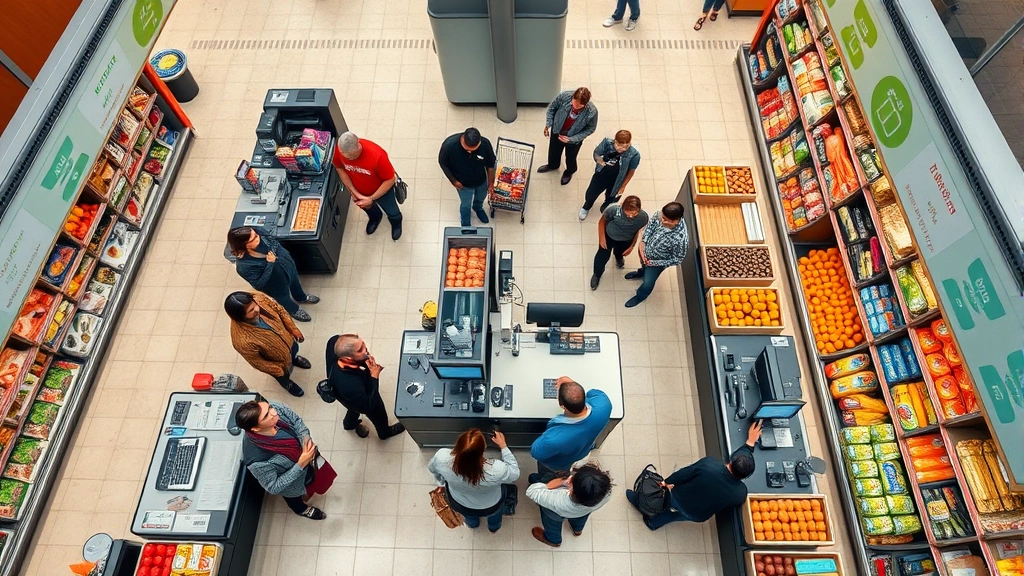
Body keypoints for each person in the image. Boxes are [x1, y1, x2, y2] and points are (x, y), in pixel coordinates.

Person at [626, 420, 762, 530]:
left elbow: (683, 474)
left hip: (677, 498)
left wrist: (665, 482)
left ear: (732, 461)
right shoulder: (740, 493)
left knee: (668, 508)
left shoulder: (709, 466)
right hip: (697, 514)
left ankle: (640, 502)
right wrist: (750, 443)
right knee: (673, 516)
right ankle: (653, 524)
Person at [236, 399, 328, 520]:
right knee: (295, 500)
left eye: (269, 408)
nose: (274, 412)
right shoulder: (257, 461)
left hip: (308, 461)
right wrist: (300, 464)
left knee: (314, 479)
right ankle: (302, 510)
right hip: (292, 484)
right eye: (266, 415)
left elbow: (296, 421)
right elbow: (273, 486)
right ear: (256, 429)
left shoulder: (275, 408)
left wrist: (306, 442)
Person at [427, 429, 520, 532]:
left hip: (460, 502)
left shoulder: (441, 457)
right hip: (490, 504)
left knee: (468, 515)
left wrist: (441, 483)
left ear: (458, 444)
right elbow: (514, 474)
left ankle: (473, 525)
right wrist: (503, 446)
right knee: (495, 515)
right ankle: (494, 528)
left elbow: (433, 470)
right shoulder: (497, 470)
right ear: (483, 450)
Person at [226, 226, 318, 322]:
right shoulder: (244, 266)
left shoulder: (258, 231)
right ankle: (294, 310)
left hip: (286, 264)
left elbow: (272, 240)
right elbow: (258, 284)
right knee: (284, 299)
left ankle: (301, 297)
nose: (258, 238)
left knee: (295, 282)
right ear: (243, 245)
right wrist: (270, 263)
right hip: (275, 284)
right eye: (253, 239)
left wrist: (272, 251)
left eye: (256, 235)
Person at [225, 291, 308, 397]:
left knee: (294, 352)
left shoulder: (259, 298)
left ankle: (295, 359)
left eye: (255, 305)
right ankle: (287, 384)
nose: (257, 309)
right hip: (277, 361)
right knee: (283, 376)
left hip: (289, 341)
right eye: (251, 310)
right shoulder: (241, 341)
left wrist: (292, 328)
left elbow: (280, 310)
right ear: (240, 317)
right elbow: (257, 362)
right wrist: (277, 369)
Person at [325, 333, 405, 439]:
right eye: (360, 350)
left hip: (343, 394)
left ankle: (349, 424)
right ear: (347, 357)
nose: (365, 350)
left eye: (363, 344)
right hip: (356, 394)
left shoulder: (333, 343)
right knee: (378, 413)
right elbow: (369, 405)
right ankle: (385, 433)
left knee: (352, 407)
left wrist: (365, 361)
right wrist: (374, 376)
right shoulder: (350, 384)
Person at [530, 377, 613, 475]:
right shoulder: (604, 405)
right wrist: (573, 385)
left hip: (558, 465)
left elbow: (536, 452)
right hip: (583, 451)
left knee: (547, 474)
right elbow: (593, 393)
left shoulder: (554, 439)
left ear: (562, 406)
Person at [333, 131, 404, 241]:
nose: (349, 158)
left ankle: (396, 223)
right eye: (345, 156)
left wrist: (371, 198)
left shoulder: (377, 155)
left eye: (352, 155)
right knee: (367, 208)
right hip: (358, 190)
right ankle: (375, 218)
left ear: (358, 143)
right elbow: (339, 168)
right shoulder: (339, 150)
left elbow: (390, 180)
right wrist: (353, 191)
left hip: (382, 190)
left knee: (392, 210)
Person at [527, 462, 613, 547]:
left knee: (552, 524)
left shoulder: (557, 500)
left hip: (556, 513)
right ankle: (577, 529)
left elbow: (532, 491)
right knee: (581, 517)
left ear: (571, 485)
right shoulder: (605, 493)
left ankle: (553, 540)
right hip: (585, 510)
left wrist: (559, 482)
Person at [623, 202, 690, 308]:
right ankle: (640, 273)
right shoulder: (660, 214)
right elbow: (651, 225)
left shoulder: (681, 238)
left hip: (656, 264)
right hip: (645, 251)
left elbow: (678, 259)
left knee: (648, 282)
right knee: (643, 267)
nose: (662, 220)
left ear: (676, 221)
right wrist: (643, 241)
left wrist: (655, 263)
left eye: (666, 220)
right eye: (662, 217)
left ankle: (640, 296)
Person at [537, 87, 599, 186]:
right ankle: (553, 165)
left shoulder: (592, 112)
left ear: (585, 104)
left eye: (578, 107)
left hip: (574, 139)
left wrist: (572, 139)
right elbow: (552, 108)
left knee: (571, 157)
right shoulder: (564, 96)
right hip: (557, 130)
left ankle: (569, 171)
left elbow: (590, 129)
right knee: (553, 151)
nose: (575, 108)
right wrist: (548, 124)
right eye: (573, 105)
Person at [438, 128, 496, 227]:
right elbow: (443, 163)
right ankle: (465, 219)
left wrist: (490, 183)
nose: (469, 151)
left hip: (481, 180)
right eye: (467, 149)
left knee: (481, 197)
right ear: (462, 139)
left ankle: (478, 208)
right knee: (465, 203)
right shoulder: (449, 146)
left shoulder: (485, 144)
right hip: (462, 183)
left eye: (473, 149)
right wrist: (453, 181)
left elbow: (490, 166)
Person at [578, 130, 640, 221]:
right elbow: (596, 153)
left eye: (625, 147)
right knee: (591, 193)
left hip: (617, 180)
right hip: (601, 175)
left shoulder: (634, 154)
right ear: (615, 141)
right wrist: (601, 162)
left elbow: (631, 171)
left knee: (612, 198)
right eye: (618, 145)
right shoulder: (607, 143)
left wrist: (623, 186)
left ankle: (606, 208)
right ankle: (586, 207)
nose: (621, 149)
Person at [591, 195, 649, 290]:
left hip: (626, 240)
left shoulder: (643, 218)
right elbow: (601, 222)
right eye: (627, 213)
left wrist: (632, 246)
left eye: (634, 213)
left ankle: (618, 258)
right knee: (602, 257)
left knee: (620, 253)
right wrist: (602, 238)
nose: (630, 216)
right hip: (608, 237)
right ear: (622, 207)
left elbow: (636, 231)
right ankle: (597, 274)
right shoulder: (613, 210)